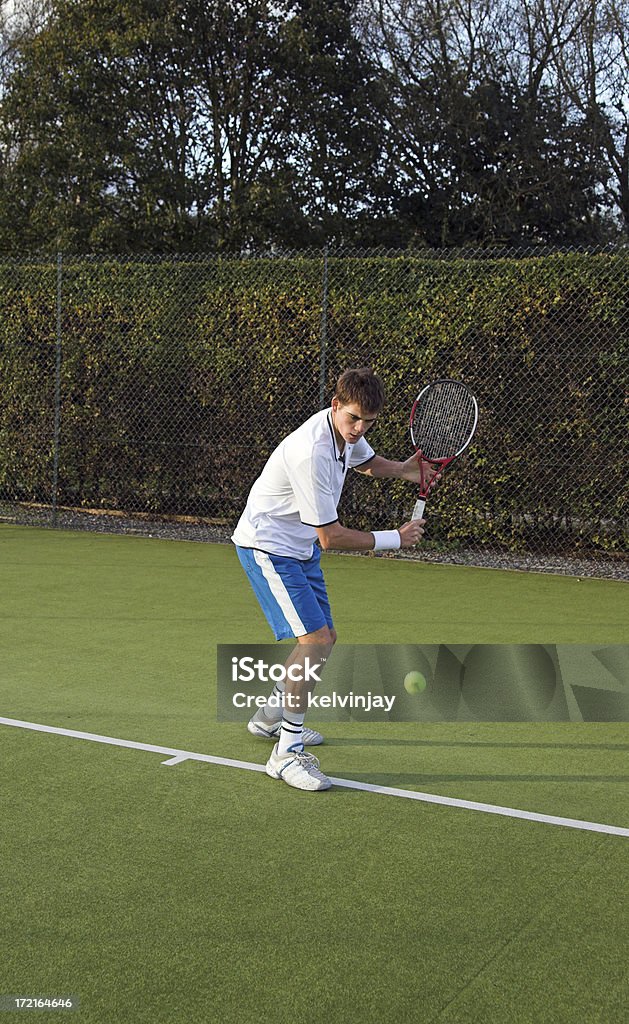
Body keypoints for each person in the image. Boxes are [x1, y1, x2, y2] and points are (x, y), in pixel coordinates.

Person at [231, 366, 437, 792]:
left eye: (369, 423)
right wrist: (394, 539)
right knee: (316, 643)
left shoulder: (346, 436)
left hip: (298, 546)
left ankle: (270, 717)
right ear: (335, 405)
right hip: (268, 546)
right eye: (354, 419)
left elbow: (366, 463)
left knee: (327, 638)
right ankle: (285, 755)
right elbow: (330, 537)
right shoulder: (313, 452)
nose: (360, 430)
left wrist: (403, 469)